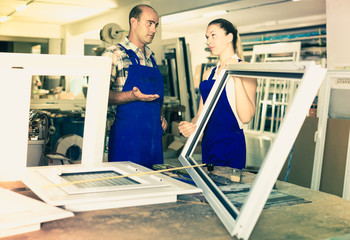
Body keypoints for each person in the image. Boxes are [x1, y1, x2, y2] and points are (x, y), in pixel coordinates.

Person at [178, 18, 257, 170]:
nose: (209, 41)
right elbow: (201, 113)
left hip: (231, 146)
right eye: (207, 37)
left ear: (229, 37)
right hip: (209, 144)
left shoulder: (246, 69)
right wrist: (192, 126)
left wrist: (236, 75)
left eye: (213, 35)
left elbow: (246, 117)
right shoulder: (208, 74)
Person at [102, 4, 167, 169]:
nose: (154, 29)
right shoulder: (114, 54)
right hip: (126, 141)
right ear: (134, 22)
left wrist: (160, 117)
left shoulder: (152, 58)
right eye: (149, 23)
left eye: (156, 25)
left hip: (153, 143)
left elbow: (156, 99)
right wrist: (131, 96)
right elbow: (99, 96)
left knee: (155, 188)